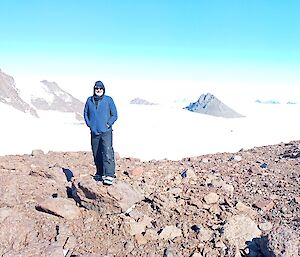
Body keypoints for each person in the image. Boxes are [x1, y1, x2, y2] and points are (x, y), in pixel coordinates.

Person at [84, 81, 118, 185]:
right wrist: (90, 124)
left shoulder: (108, 100)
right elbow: (85, 113)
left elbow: (114, 115)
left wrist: (108, 124)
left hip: (106, 132)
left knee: (107, 152)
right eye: (96, 89)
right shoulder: (89, 100)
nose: (98, 90)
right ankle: (99, 173)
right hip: (94, 132)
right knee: (96, 153)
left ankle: (109, 174)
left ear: (103, 90)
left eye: (100, 89)